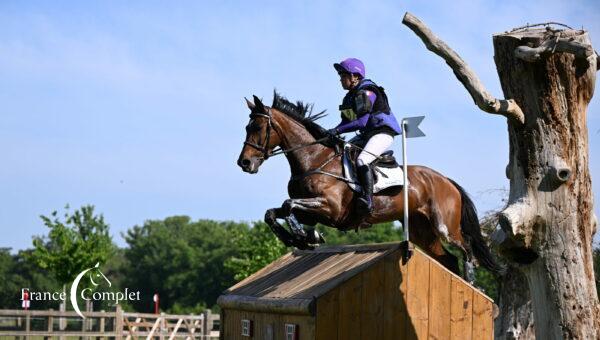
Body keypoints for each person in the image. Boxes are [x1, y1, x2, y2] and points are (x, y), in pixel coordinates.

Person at [327, 58, 402, 213]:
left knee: (362, 160)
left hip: (382, 132)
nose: (340, 79)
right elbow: (345, 123)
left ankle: (368, 200)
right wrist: (330, 132)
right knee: (343, 153)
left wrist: (338, 131)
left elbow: (361, 122)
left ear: (355, 76)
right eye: (340, 76)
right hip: (367, 135)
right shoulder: (348, 98)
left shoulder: (367, 91)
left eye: (343, 75)